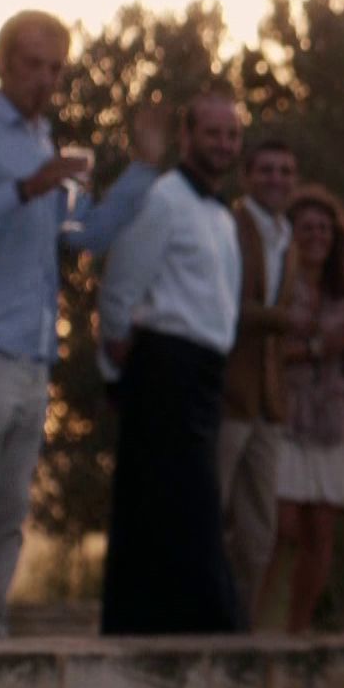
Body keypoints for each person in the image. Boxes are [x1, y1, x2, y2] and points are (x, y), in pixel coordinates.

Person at [0, 11, 165, 636]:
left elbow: (84, 237)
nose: (46, 80)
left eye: (56, 69)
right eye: (34, 65)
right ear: (3, 63)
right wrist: (27, 187)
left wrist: (141, 169)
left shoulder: (43, 143)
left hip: (33, 357)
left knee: (7, 516)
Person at [97, 85, 246, 634]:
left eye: (232, 135)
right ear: (187, 136)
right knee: (172, 503)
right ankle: (208, 632)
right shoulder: (162, 199)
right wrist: (119, 356)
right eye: (213, 133)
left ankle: (174, 631)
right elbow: (120, 283)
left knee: (182, 505)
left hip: (204, 372)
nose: (223, 144)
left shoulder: (222, 217)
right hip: (164, 365)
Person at [258, 187, 344, 633]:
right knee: (280, 527)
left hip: (331, 418)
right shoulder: (278, 284)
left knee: (321, 531)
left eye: (324, 228)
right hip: (285, 409)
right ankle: (255, 625)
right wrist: (320, 347)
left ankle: (296, 629)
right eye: (308, 228)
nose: (317, 235)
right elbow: (267, 351)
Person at [219, 138, 300, 617]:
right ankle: (195, 625)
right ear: (247, 176)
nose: (276, 179)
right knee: (210, 515)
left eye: (285, 171)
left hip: (269, 401)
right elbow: (224, 304)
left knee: (259, 531)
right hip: (227, 392)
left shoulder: (286, 236)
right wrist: (287, 321)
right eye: (267, 170)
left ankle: (239, 628)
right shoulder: (229, 225)